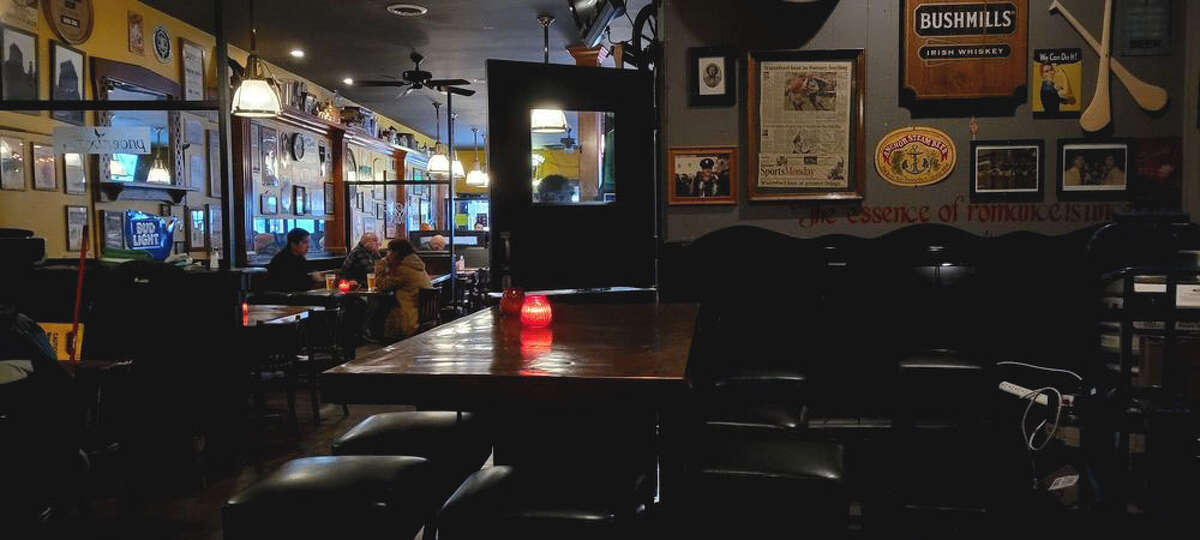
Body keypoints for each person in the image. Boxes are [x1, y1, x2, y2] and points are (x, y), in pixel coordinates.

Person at [374, 239, 432, 339]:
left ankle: (374, 337)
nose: (387, 254)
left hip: (408, 317)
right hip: (420, 314)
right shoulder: (416, 265)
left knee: (378, 307)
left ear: (396, 253)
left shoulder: (403, 270)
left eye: (389, 251)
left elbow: (382, 285)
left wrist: (380, 266)